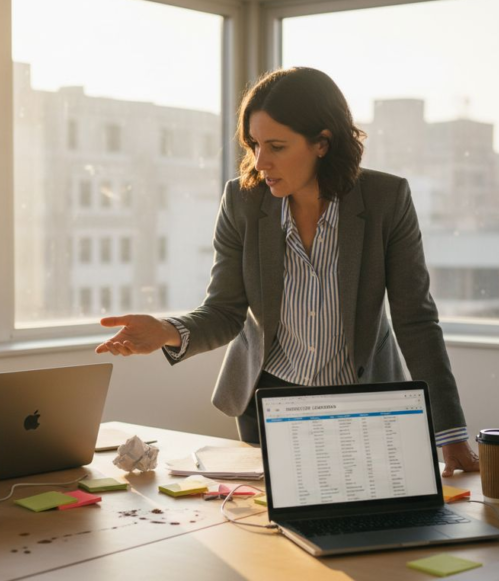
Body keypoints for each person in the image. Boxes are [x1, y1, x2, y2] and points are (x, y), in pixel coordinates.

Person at [96, 67, 479, 474]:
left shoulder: (386, 200)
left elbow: (416, 320)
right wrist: (166, 331)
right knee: (268, 531)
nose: (261, 162)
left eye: (276, 146)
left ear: (322, 143)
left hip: (363, 401)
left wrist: (451, 434)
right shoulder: (242, 202)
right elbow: (226, 310)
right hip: (269, 403)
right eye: (254, 144)